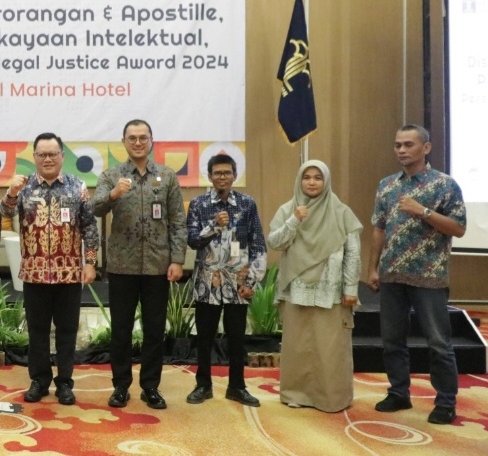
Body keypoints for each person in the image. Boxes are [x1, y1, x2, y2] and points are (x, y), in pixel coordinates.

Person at [368, 125, 466, 425]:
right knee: (392, 340)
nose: (401, 150)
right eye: (398, 144)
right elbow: (379, 228)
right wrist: (373, 267)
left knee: (438, 342)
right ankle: (399, 392)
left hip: (429, 276)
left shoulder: (445, 185)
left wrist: (422, 211)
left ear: (426, 148)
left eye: (408, 144)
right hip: (392, 275)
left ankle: (446, 402)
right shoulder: (387, 185)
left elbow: (459, 228)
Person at [91, 119, 186, 410]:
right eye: (132, 138)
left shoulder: (167, 176)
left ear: (151, 140)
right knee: (121, 330)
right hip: (122, 266)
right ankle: (121, 387)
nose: (137, 142)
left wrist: (177, 259)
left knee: (154, 330)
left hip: (158, 265)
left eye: (143, 137)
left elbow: (177, 220)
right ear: (124, 142)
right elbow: (95, 208)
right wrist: (113, 195)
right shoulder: (112, 175)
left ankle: (150, 386)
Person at [1, 132, 99, 405]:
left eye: (52, 154)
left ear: (62, 157)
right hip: (35, 274)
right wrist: (10, 193)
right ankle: (39, 380)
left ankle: (65, 383)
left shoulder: (78, 186)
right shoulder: (23, 187)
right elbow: (4, 215)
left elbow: (90, 227)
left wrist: (91, 262)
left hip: (69, 273)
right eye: (42, 154)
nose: (47, 159)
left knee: (67, 331)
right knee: (37, 331)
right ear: (34, 157)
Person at [267, 159, 362, 412]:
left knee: (330, 346)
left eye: (318, 178)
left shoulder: (341, 212)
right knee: (297, 345)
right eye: (306, 177)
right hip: (296, 287)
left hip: (330, 289)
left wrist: (351, 288)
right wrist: (294, 220)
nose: (312, 182)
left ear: (326, 181)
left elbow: (353, 252)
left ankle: (331, 397)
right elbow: (275, 242)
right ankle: (296, 393)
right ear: (299, 180)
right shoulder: (288, 209)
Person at [185, 154, 266, 407]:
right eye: (217, 173)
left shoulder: (247, 204)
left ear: (235, 175)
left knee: (237, 338)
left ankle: (237, 387)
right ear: (209, 176)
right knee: (204, 337)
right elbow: (192, 241)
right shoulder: (198, 204)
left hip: (238, 282)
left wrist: (251, 282)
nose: (222, 177)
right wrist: (214, 225)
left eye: (227, 172)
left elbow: (258, 244)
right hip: (207, 281)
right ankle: (203, 385)